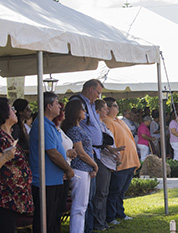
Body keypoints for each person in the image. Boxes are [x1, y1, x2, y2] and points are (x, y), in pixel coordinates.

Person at [29, 92, 74, 233]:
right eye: (57, 103)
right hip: (45, 182)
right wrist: (67, 168)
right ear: (48, 106)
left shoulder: (49, 125)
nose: (60, 106)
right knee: (45, 221)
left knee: (54, 219)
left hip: (53, 180)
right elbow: (53, 153)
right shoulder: (43, 125)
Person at [70, 79, 104, 233]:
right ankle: (84, 229)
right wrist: (94, 164)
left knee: (87, 200)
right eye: (97, 92)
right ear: (90, 89)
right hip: (82, 163)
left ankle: (87, 228)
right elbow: (80, 150)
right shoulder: (78, 102)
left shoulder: (90, 104)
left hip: (92, 155)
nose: (98, 96)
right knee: (82, 203)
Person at [61, 100, 98, 233]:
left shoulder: (78, 127)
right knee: (79, 206)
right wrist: (94, 165)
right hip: (79, 169)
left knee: (83, 205)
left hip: (85, 169)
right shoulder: (73, 129)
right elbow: (81, 152)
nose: (85, 111)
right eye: (82, 109)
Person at [103, 97, 140, 225]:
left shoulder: (119, 120)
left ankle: (120, 213)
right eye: (115, 106)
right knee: (114, 191)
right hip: (120, 162)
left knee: (121, 192)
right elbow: (109, 143)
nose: (117, 108)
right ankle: (111, 216)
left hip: (130, 161)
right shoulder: (106, 121)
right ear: (107, 108)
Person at [0, 97, 33, 233]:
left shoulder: (8, 135)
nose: (15, 112)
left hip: (14, 198)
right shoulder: (1, 138)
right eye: (11, 109)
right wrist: (5, 157)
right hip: (4, 199)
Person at [93, 99, 124, 231]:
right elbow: (99, 142)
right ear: (97, 111)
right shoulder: (96, 125)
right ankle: (98, 223)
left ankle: (103, 220)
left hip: (109, 161)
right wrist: (110, 149)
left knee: (104, 193)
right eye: (104, 109)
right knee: (101, 193)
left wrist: (115, 154)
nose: (107, 111)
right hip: (101, 161)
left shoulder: (102, 124)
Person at [52, 102, 77, 220]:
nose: (64, 113)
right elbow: (53, 152)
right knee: (55, 209)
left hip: (66, 170)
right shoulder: (51, 129)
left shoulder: (59, 129)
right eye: (62, 110)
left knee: (59, 208)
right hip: (59, 172)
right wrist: (67, 154)